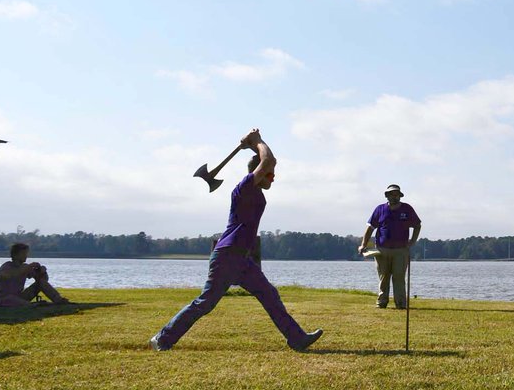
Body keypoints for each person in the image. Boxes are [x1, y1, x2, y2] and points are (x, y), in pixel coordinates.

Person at [150, 128, 323, 351]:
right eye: (269, 174)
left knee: (269, 294)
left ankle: (297, 339)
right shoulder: (244, 187)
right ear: (259, 172)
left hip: (242, 259)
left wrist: (252, 145)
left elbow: (269, 161)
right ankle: (162, 339)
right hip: (227, 256)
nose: (273, 177)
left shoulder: (256, 191)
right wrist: (258, 141)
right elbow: (268, 160)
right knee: (205, 303)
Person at [358, 184, 421, 309]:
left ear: (400, 196)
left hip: (401, 250)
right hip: (382, 250)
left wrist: (412, 241)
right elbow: (370, 228)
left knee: (399, 277)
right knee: (384, 277)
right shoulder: (380, 209)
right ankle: (382, 302)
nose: (394, 196)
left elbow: (417, 225)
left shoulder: (407, 209)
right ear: (387, 196)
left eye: (396, 194)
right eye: (391, 194)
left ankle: (401, 304)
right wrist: (363, 245)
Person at [0, 243, 70, 307]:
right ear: (15, 255)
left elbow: (43, 280)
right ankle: (32, 305)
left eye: (26, 253)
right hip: (5, 299)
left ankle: (59, 300)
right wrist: (29, 267)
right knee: (11, 299)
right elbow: (12, 274)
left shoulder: (25, 267)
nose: (26, 256)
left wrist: (42, 271)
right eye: (23, 253)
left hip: (20, 297)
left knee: (40, 282)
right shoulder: (6, 266)